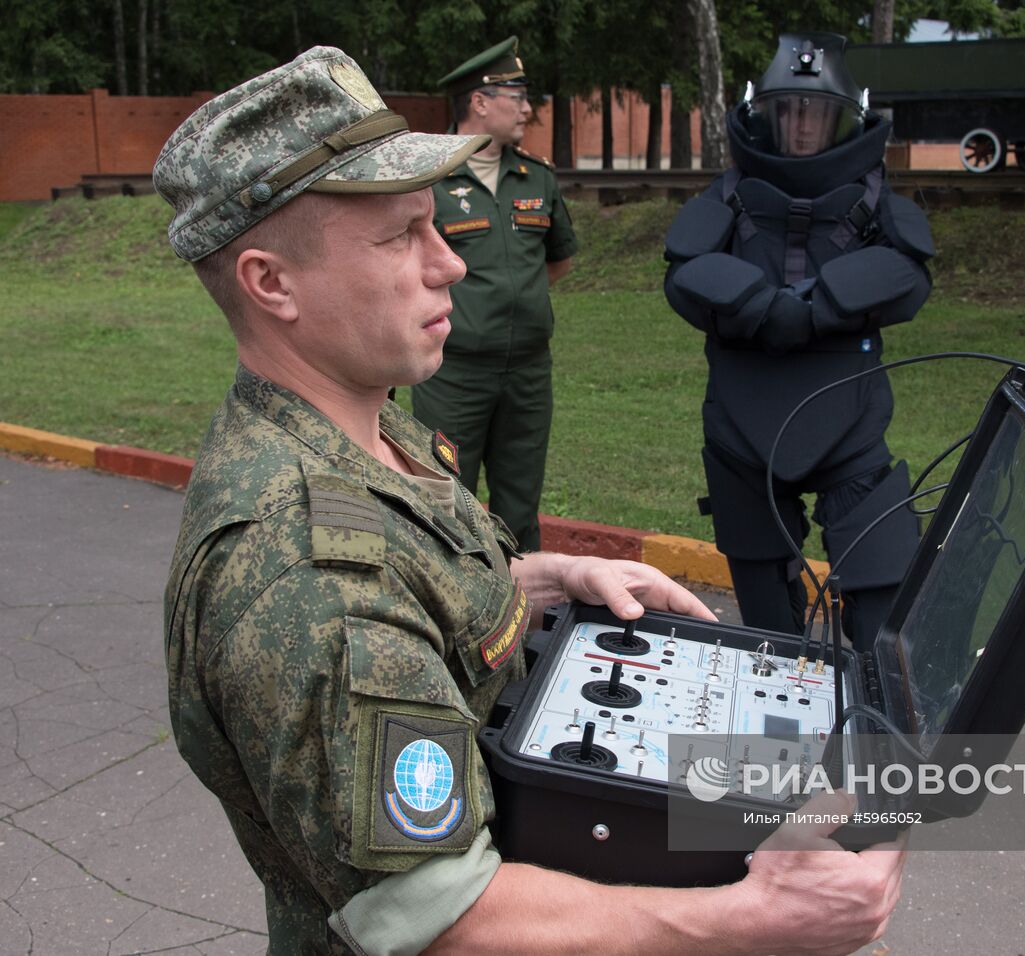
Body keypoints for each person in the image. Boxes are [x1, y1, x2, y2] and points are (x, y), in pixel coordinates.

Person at [157, 47, 904, 955]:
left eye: (438, 228)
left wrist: (542, 579)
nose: (451, 267)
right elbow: (442, 920)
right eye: (400, 237)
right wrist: (745, 920)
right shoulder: (302, 575)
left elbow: (417, 587)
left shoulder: (366, 425)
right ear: (271, 283)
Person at [664, 33, 935, 652]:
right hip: (742, 419)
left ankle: (879, 729)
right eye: (789, 111)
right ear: (767, 114)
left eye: (816, 112)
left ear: (847, 118)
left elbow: (910, 278)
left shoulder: (872, 200)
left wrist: (818, 309)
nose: (802, 126)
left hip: (848, 419)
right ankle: (777, 723)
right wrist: (759, 307)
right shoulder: (731, 194)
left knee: (882, 608)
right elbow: (682, 272)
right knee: (767, 627)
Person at [410, 37, 577, 552]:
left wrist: (504, 305)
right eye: (516, 94)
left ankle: (517, 615)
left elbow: (558, 260)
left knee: (520, 505)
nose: (527, 107)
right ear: (479, 102)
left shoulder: (537, 178)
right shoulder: (429, 179)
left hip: (527, 372)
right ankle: (447, 617)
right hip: (452, 372)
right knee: (443, 502)